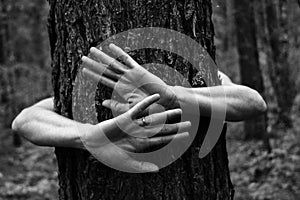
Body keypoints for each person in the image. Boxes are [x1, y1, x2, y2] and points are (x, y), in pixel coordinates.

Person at [12, 44, 267, 172]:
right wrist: (93, 136)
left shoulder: (202, 80)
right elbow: (25, 120)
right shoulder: (89, 94)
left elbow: (252, 102)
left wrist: (172, 95)